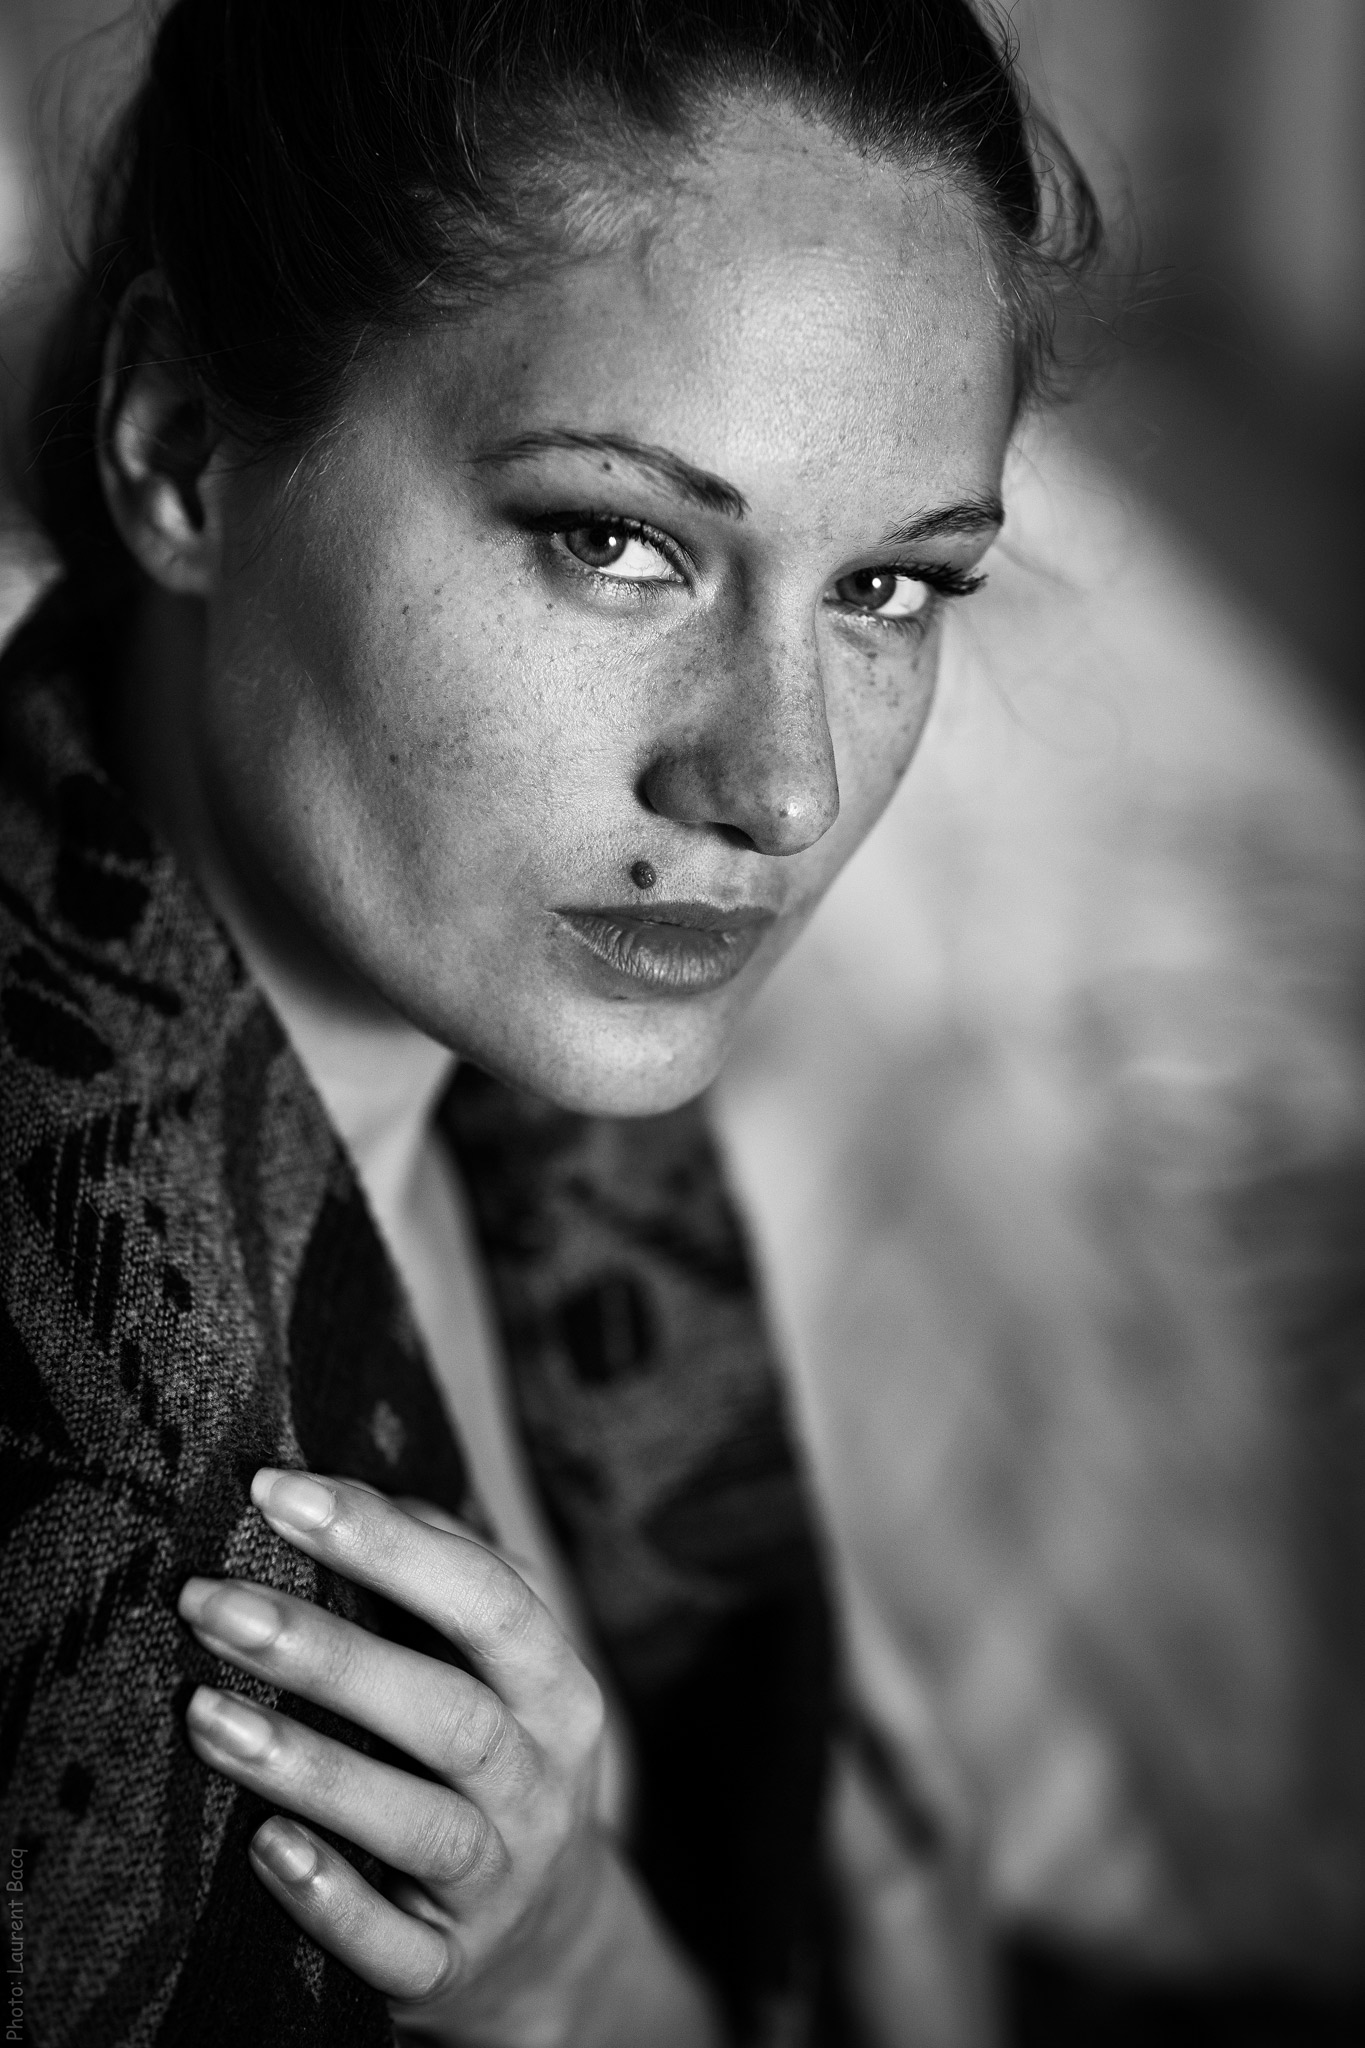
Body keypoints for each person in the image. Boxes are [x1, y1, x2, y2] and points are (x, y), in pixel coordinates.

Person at [0, 3, 1096, 2042]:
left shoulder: (510, 1036)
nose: (777, 790)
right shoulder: (95, 1555)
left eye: (887, 590)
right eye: (613, 541)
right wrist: (584, 1982)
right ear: (177, 447)